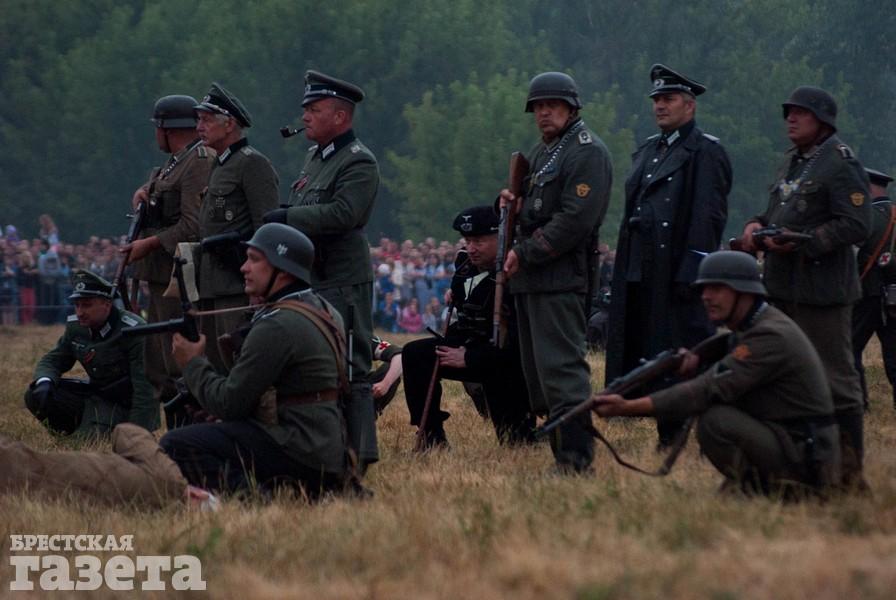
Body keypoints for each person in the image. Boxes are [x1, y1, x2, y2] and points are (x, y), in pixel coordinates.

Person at [595, 251, 841, 497]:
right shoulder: (753, 325)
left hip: (809, 457)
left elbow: (706, 389)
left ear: (745, 293)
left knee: (716, 421)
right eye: (704, 289)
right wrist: (698, 356)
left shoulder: (769, 335)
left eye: (717, 289)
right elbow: (725, 349)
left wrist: (628, 407)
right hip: (795, 443)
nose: (706, 297)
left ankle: (776, 490)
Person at [737, 86, 871, 489]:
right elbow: (779, 210)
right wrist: (756, 225)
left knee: (836, 382)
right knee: (781, 379)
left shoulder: (840, 163)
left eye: (800, 114)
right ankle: (794, 468)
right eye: (788, 113)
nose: (790, 119)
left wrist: (803, 242)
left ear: (823, 122)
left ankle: (848, 476)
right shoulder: (792, 163)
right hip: (781, 289)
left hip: (821, 295)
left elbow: (856, 225)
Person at [160, 223, 349, 498]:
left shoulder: (278, 324)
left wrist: (192, 363)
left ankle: (257, 497)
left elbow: (229, 403)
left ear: (282, 270)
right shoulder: (324, 309)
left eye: (255, 259)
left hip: (299, 448)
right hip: (328, 447)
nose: (244, 268)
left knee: (176, 444)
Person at [605, 64, 732, 446]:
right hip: (641, 268)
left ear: (689, 106)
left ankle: (680, 431)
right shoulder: (648, 150)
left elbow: (707, 219)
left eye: (669, 99)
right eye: (657, 100)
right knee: (649, 350)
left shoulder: (705, 151)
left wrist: (692, 274)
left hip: (677, 273)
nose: (660, 106)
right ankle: (662, 421)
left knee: (680, 354)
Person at [263, 70, 379, 470]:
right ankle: (327, 451)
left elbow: (345, 213)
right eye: (306, 109)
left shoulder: (358, 161)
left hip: (343, 279)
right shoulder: (316, 158)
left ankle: (360, 457)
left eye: (315, 109)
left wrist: (287, 217)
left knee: (353, 365)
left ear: (340, 117)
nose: (306, 116)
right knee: (321, 365)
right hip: (316, 275)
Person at [498, 72, 612, 473]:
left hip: (561, 277)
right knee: (542, 377)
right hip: (534, 278)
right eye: (538, 107)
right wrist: (514, 202)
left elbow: (575, 220)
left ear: (571, 107)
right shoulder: (545, 151)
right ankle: (562, 455)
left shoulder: (585, 152)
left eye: (552, 105)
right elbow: (535, 209)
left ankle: (576, 459)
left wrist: (525, 253)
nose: (543, 112)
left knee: (562, 371)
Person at [402, 206, 535, 447]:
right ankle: (432, 438)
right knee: (415, 354)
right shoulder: (464, 265)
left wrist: (471, 358)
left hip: (507, 363)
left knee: (516, 442)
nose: (470, 248)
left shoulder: (517, 272)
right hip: (473, 347)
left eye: (479, 241)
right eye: (467, 240)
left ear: (501, 238)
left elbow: (519, 342)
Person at [123, 94, 216, 428]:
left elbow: (194, 224)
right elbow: (164, 195)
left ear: (166, 129)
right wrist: (143, 192)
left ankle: (188, 437)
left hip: (179, 280)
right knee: (157, 366)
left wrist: (149, 243)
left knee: (178, 365)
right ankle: (176, 435)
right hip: (160, 279)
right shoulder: (176, 162)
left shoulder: (199, 160)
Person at [194, 82, 279, 372]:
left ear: (229, 124)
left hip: (238, 285)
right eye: (198, 120)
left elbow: (266, 229)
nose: (199, 127)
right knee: (215, 365)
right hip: (212, 285)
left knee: (238, 365)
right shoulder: (220, 165)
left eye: (206, 120)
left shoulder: (252, 164)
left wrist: (262, 286)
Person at [24, 270, 158, 439]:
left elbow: (145, 391)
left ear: (107, 305)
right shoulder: (76, 327)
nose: (80, 312)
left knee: (83, 445)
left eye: (86, 305)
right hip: (95, 397)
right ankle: (66, 430)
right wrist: (45, 381)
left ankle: (89, 431)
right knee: (35, 394)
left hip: (124, 408)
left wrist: (137, 434)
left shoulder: (133, 332)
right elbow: (54, 360)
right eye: (77, 305)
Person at [0, 423, 216, 509]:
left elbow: (126, 431)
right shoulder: (140, 513)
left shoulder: (170, 483)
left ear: (199, 495)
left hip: (14, 464)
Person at [851, 168, 896, 410]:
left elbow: (854, 256)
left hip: (868, 294)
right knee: (893, 355)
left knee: (850, 349)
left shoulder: (866, 217)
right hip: (893, 295)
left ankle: (859, 404)